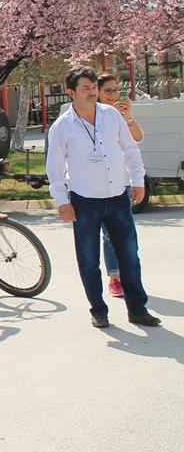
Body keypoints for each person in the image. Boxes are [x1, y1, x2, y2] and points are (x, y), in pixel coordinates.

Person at [46, 66, 160, 329]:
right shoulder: (62, 126)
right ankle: (98, 310)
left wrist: (138, 180)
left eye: (94, 87)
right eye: (85, 88)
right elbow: (54, 167)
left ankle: (137, 309)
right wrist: (62, 201)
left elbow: (130, 149)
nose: (92, 92)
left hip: (117, 196)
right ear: (71, 92)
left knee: (129, 256)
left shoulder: (111, 115)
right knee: (88, 260)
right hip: (84, 201)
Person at [96, 72, 144, 298]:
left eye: (116, 90)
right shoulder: (93, 116)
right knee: (108, 234)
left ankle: (128, 277)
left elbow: (137, 138)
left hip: (122, 182)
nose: (113, 95)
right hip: (99, 185)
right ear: (97, 92)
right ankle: (114, 277)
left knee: (126, 234)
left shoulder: (119, 115)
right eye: (108, 91)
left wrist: (128, 117)